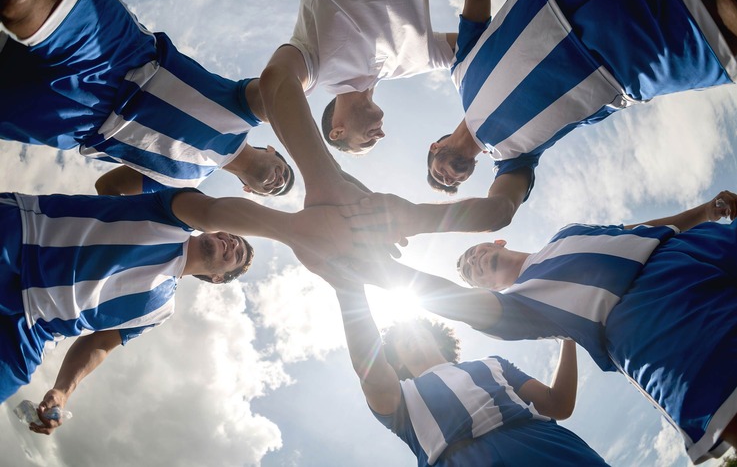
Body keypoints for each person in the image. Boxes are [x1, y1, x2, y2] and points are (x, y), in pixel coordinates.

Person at [343, 190, 737, 463]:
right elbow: (455, 301)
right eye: (468, 272)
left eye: (473, 255)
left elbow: (637, 233)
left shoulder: (566, 235)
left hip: (695, 251)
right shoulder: (516, 309)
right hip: (659, 321)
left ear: (495, 243)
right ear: (484, 289)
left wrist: (705, 211)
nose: (473, 264)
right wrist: (367, 267)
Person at [351, 0, 737, 235]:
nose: (448, 179)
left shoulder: (461, 69)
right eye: (451, 184)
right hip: (650, 49)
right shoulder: (514, 159)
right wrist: (415, 219)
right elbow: (499, 211)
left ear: (434, 147)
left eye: (437, 174)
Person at [0, 186, 394, 433]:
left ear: (219, 278)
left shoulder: (159, 310)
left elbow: (98, 344)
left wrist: (64, 391)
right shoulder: (171, 214)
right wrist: (299, 231)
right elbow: (202, 208)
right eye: (231, 235)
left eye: (235, 253)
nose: (230, 242)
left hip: (28, 335)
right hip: (19, 240)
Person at [0, 0, 294, 197]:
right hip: (121, 54)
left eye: (277, 190)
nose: (280, 181)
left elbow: (109, 187)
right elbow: (280, 86)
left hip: (76, 123)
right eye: (286, 172)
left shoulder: (184, 185)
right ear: (271, 149)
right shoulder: (249, 113)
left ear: (249, 191)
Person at [329, 282, 609, 465]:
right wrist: (349, 287)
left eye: (416, 329)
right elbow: (372, 371)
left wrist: (567, 337)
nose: (411, 337)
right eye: (401, 339)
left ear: (437, 337)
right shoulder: (400, 394)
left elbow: (557, 404)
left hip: (549, 448)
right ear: (396, 359)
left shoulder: (493, 363)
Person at [257, 0, 460, 210]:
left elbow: (277, 78)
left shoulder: (316, 68)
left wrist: (323, 177)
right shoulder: (409, 63)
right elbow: (474, 47)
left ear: (337, 132)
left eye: (367, 143)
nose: (381, 135)